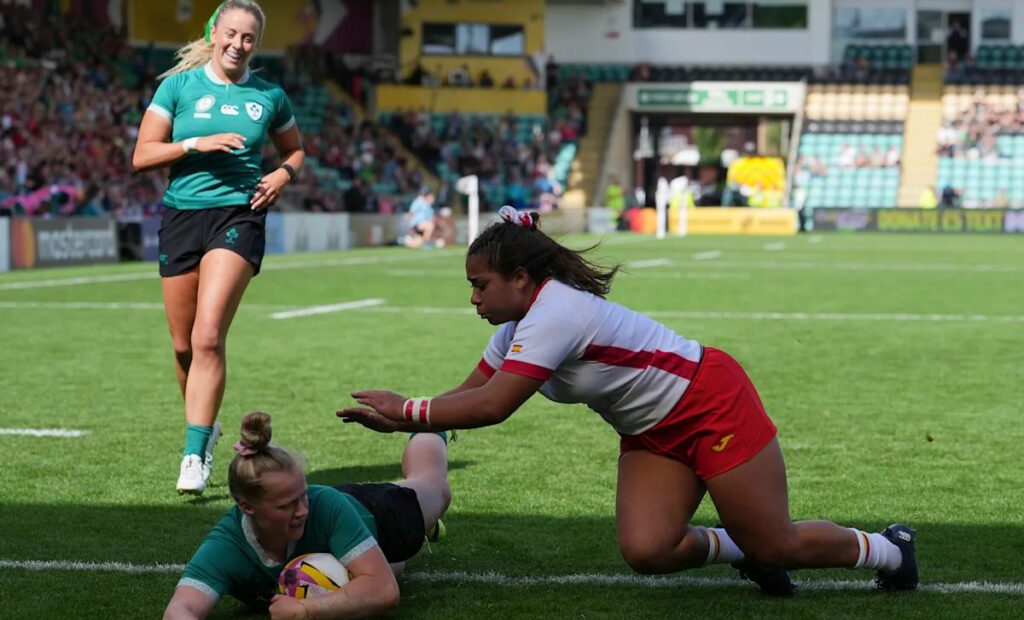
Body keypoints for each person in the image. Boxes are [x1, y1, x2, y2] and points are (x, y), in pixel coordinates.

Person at [338, 206, 919, 596]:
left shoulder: (556, 310)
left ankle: (888, 550)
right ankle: (740, 549)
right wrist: (409, 422)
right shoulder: (515, 327)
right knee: (647, 550)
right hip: (652, 432)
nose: (472, 298)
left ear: (520, 278)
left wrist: (407, 412)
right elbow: (468, 395)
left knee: (779, 542)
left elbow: (494, 407)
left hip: (710, 403)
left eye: (479, 285)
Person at [131, 0, 305, 495]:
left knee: (209, 336)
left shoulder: (269, 95)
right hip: (182, 217)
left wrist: (282, 175)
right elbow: (142, 155)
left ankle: (193, 455)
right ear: (213, 35)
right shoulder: (178, 88)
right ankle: (205, 430)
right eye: (231, 34)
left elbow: (295, 149)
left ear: (257, 43)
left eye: (249, 38)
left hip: (239, 215)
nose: (239, 44)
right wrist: (194, 144)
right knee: (184, 345)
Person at [161, 411, 451, 620]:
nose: (302, 509)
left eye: (303, 494)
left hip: (372, 514)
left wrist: (304, 610)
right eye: (287, 504)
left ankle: (430, 425)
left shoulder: (322, 505)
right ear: (247, 507)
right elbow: (178, 611)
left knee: (434, 486)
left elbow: (384, 591)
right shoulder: (227, 545)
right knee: (388, 565)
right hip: (345, 541)